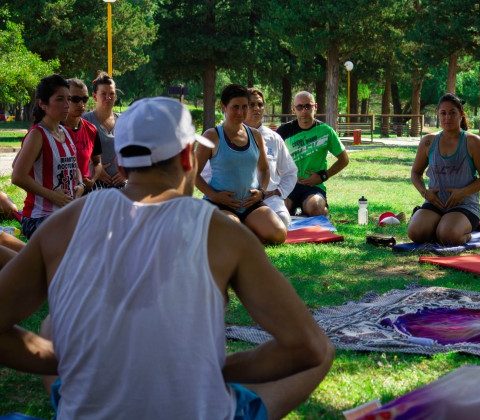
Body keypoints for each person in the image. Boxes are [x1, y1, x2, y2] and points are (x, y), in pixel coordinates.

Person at [0, 97, 334, 419]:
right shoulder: (222, 232)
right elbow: (307, 347)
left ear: (124, 165)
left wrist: (77, 361)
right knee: (323, 352)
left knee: (50, 326)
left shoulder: (64, 223)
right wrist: (215, 370)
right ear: (188, 158)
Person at [196, 84, 286, 244]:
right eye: (235, 107)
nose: (240, 112)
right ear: (224, 107)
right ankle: (227, 227)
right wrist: (215, 196)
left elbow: (264, 170)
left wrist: (262, 191)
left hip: (249, 204)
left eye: (245, 107)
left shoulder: (255, 135)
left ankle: (245, 226)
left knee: (279, 234)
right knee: (234, 237)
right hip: (220, 205)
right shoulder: (212, 136)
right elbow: (192, 174)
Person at [407, 93, 480, 245]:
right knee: (415, 233)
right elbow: (415, 173)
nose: (448, 117)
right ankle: (439, 224)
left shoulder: (473, 141)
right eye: (443, 113)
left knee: (448, 236)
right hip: (435, 203)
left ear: (461, 115)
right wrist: (425, 192)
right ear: (438, 115)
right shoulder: (428, 141)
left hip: (464, 205)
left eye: (453, 112)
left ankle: (463, 232)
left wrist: (462, 193)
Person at [12, 75, 84, 239]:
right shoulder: (38, 135)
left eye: (69, 99)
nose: (67, 105)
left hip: (66, 210)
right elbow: (17, 176)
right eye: (60, 99)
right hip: (40, 217)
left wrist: (79, 184)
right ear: (43, 104)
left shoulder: (64, 131)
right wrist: (52, 196)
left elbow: (74, 165)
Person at [276, 92, 350, 216]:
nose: (304, 110)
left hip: (314, 187)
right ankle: (296, 214)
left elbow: (344, 160)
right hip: (288, 186)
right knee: (280, 212)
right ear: (293, 109)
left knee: (315, 208)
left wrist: (323, 176)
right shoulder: (283, 131)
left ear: (315, 107)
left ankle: (319, 212)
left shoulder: (325, 131)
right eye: (299, 107)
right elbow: (272, 160)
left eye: (308, 106)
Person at [244, 87, 297, 229]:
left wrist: (277, 192)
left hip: (269, 198)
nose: (256, 108)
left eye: (260, 105)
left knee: (283, 221)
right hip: (238, 199)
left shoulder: (273, 138)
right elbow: (207, 173)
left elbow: (290, 172)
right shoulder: (228, 135)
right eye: (251, 104)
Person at [82, 71, 125, 189]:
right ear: (95, 96)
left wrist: (127, 172)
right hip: (94, 186)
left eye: (112, 93)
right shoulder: (85, 121)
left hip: (121, 188)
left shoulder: (124, 120)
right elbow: (75, 151)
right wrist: (94, 170)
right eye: (103, 94)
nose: (108, 97)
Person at [63, 78, 102, 192]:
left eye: (84, 99)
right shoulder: (52, 129)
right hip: (57, 196)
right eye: (75, 99)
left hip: (84, 193)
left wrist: (93, 180)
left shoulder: (92, 130)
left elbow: (97, 162)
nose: (81, 104)